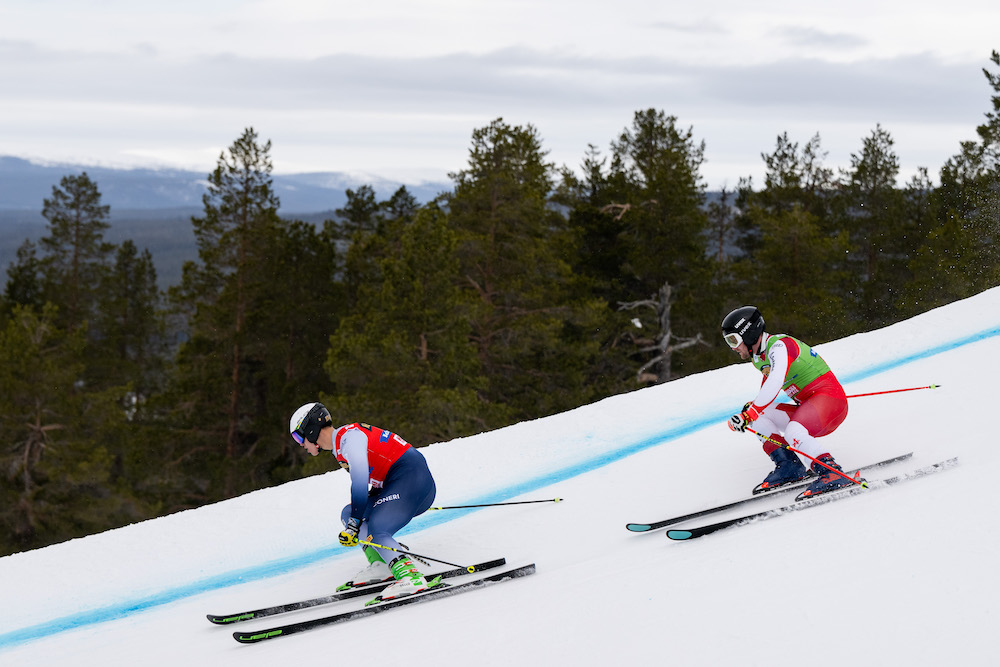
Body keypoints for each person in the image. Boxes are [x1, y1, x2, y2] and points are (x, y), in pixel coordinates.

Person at [289, 402, 437, 600]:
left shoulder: (349, 439)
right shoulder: (340, 445)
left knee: (376, 529)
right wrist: (354, 520)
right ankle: (382, 565)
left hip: (412, 480)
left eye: (299, 437)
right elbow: (375, 478)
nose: (300, 444)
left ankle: (411, 577)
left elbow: (359, 482)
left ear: (311, 430)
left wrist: (353, 526)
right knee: (348, 513)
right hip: (401, 483)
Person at [721, 306, 860, 497]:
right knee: (759, 414)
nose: (733, 347)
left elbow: (776, 381)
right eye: (728, 341)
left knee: (791, 429)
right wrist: (752, 410)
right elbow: (768, 384)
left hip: (830, 402)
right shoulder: (758, 357)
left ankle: (831, 472)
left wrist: (749, 413)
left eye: (734, 340)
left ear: (749, 333)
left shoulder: (779, 346)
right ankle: (790, 466)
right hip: (810, 406)